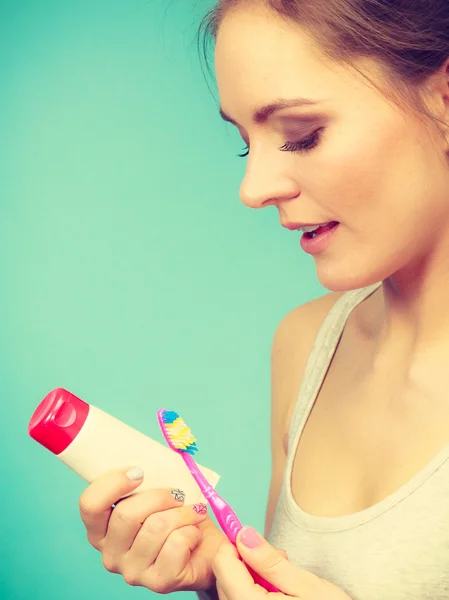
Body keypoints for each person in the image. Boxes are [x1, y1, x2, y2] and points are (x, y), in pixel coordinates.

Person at [78, 1, 449, 598]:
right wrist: (217, 577)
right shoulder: (305, 346)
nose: (253, 190)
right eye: (247, 144)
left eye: (302, 136)